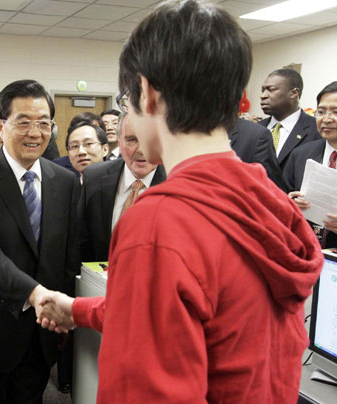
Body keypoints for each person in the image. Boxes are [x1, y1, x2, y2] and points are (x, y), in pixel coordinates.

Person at [37, 1, 323, 403]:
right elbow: (190, 317)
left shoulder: (157, 224)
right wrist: (78, 310)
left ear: (146, 93)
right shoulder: (268, 201)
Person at [0, 79, 81, 404]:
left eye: (43, 123)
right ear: (1, 124)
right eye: (23, 122)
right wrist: (35, 294)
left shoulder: (64, 181)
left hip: (42, 334)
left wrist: (62, 315)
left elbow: (67, 257)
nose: (34, 133)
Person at [79, 112, 166, 262]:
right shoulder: (94, 177)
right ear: (120, 142)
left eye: (150, 139)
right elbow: (81, 241)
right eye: (132, 140)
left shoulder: (178, 184)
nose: (141, 149)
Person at [284, 81, 337, 248]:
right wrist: (290, 203)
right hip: (305, 251)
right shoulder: (301, 154)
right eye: (321, 112)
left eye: (335, 112)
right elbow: (282, 198)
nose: (326, 119)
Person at [259, 68, 321, 169]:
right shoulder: (256, 129)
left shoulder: (316, 130)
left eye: (271, 90)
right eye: (263, 90)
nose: (263, 96)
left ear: (293, 93)